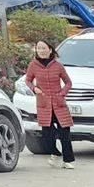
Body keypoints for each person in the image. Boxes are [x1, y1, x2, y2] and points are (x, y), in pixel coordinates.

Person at [24, 37, 75, 167]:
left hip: (59, 103)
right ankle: (55, 153)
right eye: (39, 48)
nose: (41, 51)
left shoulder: (58, 65)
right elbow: (28, 80)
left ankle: (68, 160)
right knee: (47, 134)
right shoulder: (33, 65)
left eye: (43, 48)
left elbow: (68, 82)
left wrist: (62, 94)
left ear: (50, 50)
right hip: (44, 104)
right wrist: (34, 89)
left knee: (65, 133)